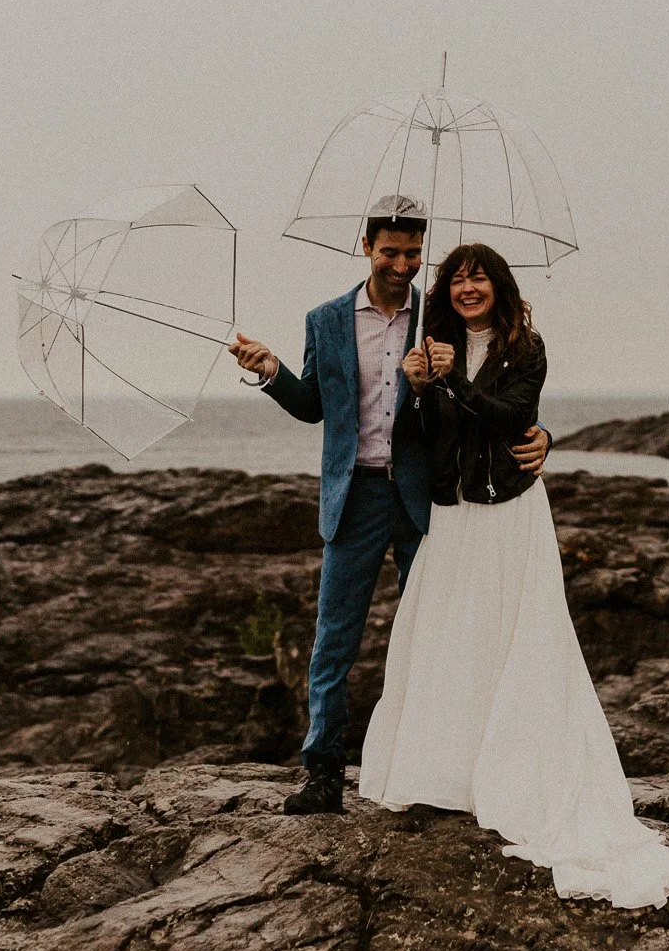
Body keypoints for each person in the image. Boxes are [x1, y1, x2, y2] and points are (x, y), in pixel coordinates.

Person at [358, 242, 669, 910]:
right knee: (448, 637)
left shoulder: (526, 346)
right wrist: (423, 387)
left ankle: (515, 774)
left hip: (509, 511)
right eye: (457, 279)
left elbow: (513, 415)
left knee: (518, 633)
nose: (467, 287)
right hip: (454, 512)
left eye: (479, 277)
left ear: (499, 285)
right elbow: (431, 434)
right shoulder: (432, 343)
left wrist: (454, 381)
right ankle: (445, 771)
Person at [227, 197, 552, 815]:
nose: (403, 264)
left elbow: (489, 388)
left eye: (412, 253)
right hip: (353, 497)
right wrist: (270, 372)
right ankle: (323, 771)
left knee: (435, 636)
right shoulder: (324, 320)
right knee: (334, 639)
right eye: (391, 252)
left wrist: (542, 435)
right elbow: (313, 407)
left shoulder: (440, 316)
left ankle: (435, 769)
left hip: (424, 495)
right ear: (367, 246)